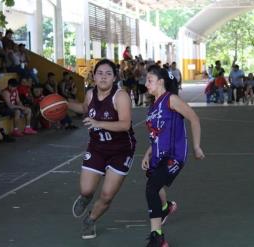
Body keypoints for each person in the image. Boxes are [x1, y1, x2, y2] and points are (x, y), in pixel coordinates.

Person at [68, 59, 136, 240]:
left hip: (121, 151)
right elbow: (83, 108)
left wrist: (99, 123)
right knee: (86, 190)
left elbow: (125, 124)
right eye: (100, 73)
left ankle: (90, 220)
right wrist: (62, 104)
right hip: (97, 147)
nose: (103, 77)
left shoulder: (120, 96)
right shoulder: (90, 94)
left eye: (108, 73)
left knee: (106, 195)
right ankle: (85, 198)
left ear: (114, 78)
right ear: (93, 76)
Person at [142, 65, 205, 247]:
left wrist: (196, 146)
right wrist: (148, 153)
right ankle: (166, 208)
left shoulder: (171, 99)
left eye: (149, 80)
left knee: (152, 187)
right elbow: (157, 134)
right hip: (158, 156)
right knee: (152, 183)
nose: (146, 84)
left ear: (161, 82)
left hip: (173, 156)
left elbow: (194, 118)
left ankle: (158, 238)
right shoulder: (153, 107)